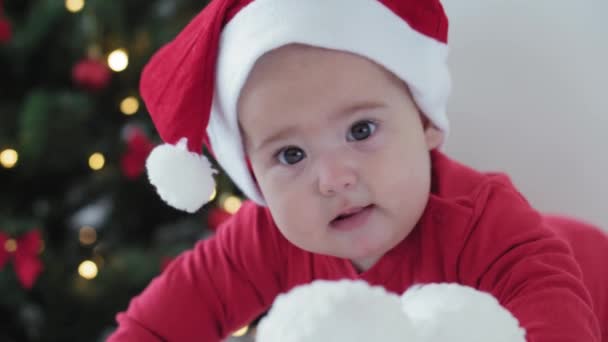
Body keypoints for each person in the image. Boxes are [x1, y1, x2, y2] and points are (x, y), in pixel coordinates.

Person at [107, 0, 608, 341]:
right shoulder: (265, 240)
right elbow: (150, 330)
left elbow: (557, 321)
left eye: (362, 131)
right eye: (291, 155)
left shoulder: (486, 224)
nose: (334, 179)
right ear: (253, 178)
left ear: (426, 121)